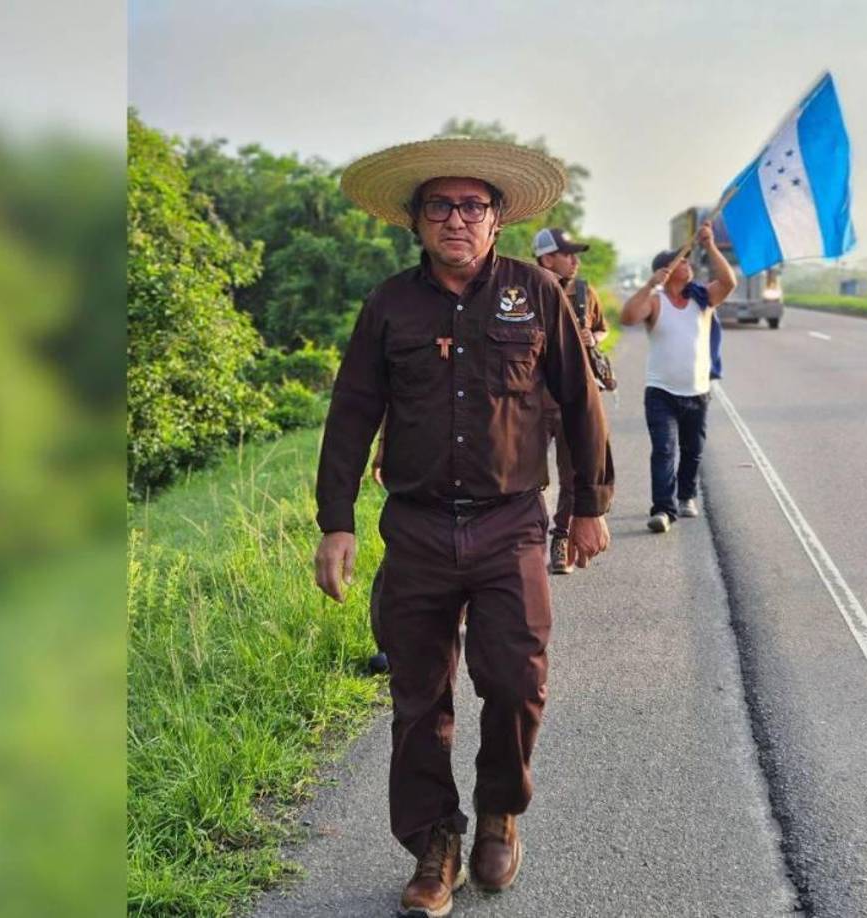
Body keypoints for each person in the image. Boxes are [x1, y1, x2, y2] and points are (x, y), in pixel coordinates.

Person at [313, 136, 613, 917]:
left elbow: (581, 401)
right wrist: (336, 523)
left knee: (516, 681)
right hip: (414, 529)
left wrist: (589, 506)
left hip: (512, 522)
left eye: (472, 206)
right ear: (415, 221)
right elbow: (352, 413)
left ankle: (500, 811)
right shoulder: (388, 306)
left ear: (497, 219)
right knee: (418, 696)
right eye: (439, 206)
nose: (456, 219)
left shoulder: (535, 294)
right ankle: (433, 843)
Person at [619, 220, 736, 533]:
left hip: (697, 392)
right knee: (664, 449)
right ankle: (663, 509)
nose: (687, 264)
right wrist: (649, 285)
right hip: (661, 392)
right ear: (666, 271)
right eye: (680, 260)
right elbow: (628, 317)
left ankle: (686, 495)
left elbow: (729, 282)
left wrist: (710, 245)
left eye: (686, 260)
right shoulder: (655, 301)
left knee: (693, 450)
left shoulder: (702, 299)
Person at [532, 227, 610, 574]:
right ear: (547, 258)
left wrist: (590, 338)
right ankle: (524, 543)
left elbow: (601, 327)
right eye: (568, 255)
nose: (575, 261)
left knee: (572, 473)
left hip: (571, 400)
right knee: (525, 477)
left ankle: (561, 538)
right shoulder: (523, 290)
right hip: (529, 403)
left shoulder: (583, 292)